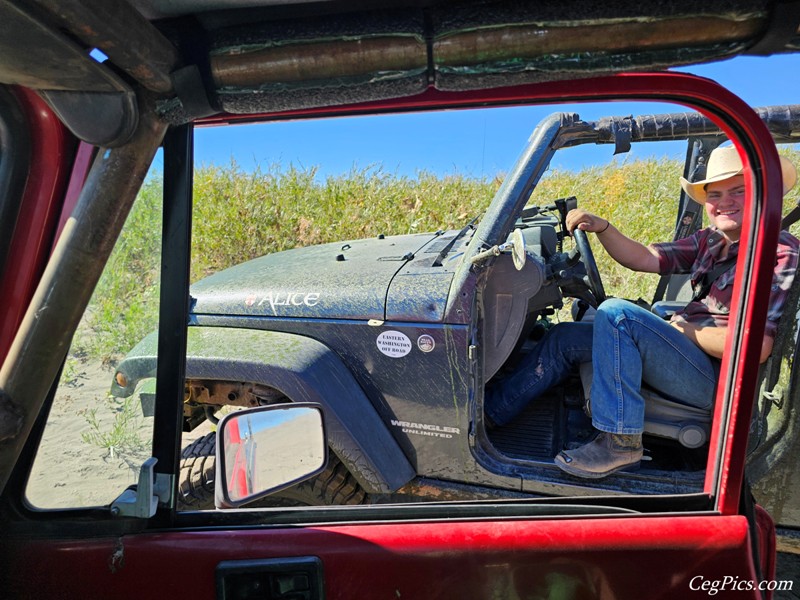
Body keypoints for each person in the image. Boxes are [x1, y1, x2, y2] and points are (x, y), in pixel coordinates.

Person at [484, 145, 799, 479]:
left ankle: (620, 442)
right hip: (691, 354)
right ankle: (490, 415)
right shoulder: (714, 240)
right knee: (565, 337)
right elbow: (648, 258)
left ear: (764, 195)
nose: (725, 202)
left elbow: (756, 347)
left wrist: (681, 330)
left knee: (618, 315)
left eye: (739, 191)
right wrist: (603, 228)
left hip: (718, 379)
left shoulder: (778, 253)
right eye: (716, 193)